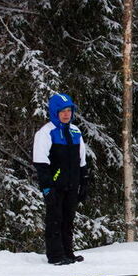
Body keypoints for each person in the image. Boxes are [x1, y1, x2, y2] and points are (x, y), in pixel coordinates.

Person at [33, 93, 89, 265]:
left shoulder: (75, 131)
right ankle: (56, 255)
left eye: (69, 111)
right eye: (62, 111)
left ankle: (68, 253)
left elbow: (82, 161)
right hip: (55, 185)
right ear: (54, 112)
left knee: (68, 220)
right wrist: (47, 187)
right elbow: (40, 162)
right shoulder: (46, 133)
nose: (66, 114)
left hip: (72, 184)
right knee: (55, 219)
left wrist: (84, 183)